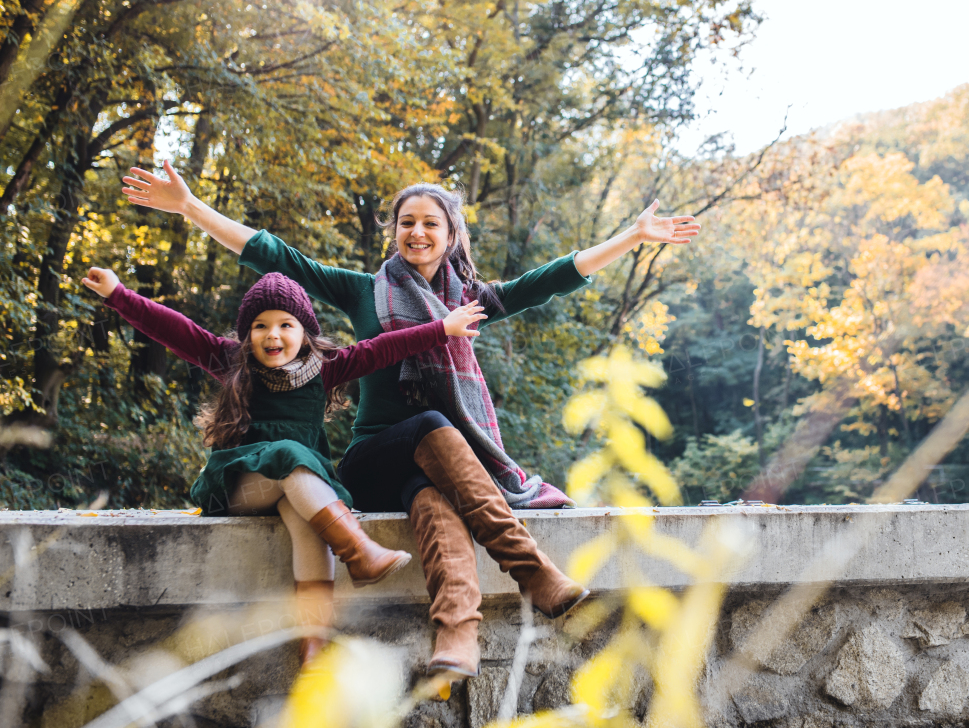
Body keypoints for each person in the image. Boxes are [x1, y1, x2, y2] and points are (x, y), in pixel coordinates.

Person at [122, 160, 700, 693]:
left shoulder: (469, 300)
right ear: (393, 231)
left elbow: (546, 280)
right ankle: (532, 570)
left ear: (451, 236)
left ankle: (457, 636)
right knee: (427, 423)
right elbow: (275, 253)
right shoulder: (364, 290)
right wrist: (190, 206)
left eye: (430, 224)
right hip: (371, 460)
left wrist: (632, 237)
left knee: (430, 500)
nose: (417, 233)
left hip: (441, 462)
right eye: (406, 222)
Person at [82, 266, 485, 668]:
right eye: (260, 326)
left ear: (304, 331)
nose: (272, 335)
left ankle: (314, 645)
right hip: (241, 488)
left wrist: (442, 328)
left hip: (297, 488)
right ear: (247, 335)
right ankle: (357, 548)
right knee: (290, 455)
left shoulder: (326, 368)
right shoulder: (230, 360)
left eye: (285, 325)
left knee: (306, 525)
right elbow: (173, 328)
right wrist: (118, 293)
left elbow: (383, 347)